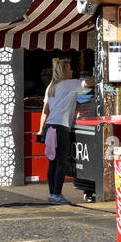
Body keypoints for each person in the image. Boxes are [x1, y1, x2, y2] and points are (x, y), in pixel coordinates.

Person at [37, 56, 96, 205]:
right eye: (70, 69)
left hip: (50, 128)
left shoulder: (51, 87)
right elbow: (89, 83)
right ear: (63, 71)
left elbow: (46, 111)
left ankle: (52, 194)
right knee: (61, 162)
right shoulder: (70, 84)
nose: (72, 71)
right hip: (61, 128)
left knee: (53, 162)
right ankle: (57, 195)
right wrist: (104, 74)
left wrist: (40, 130)